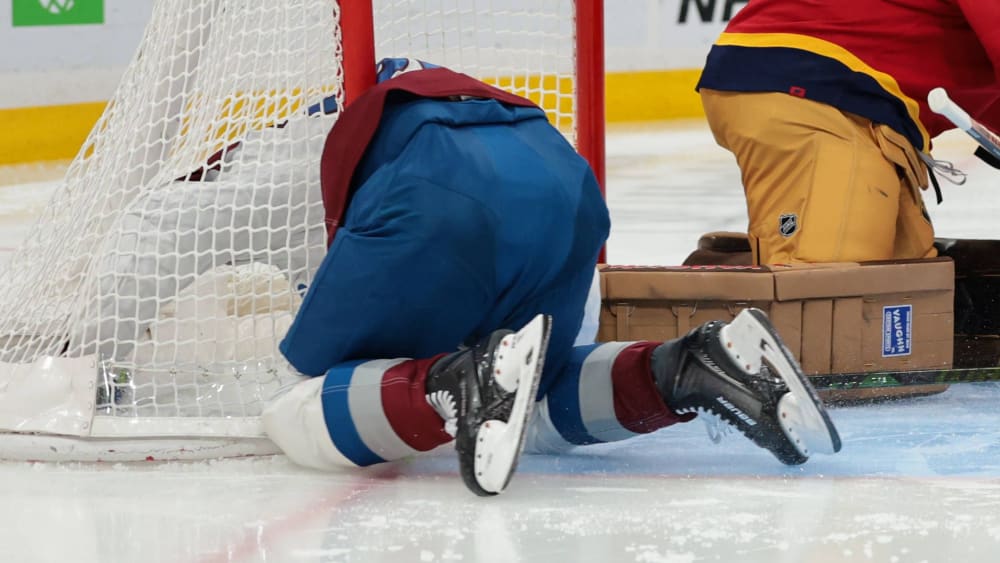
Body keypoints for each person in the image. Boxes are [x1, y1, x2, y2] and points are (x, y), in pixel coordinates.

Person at [262, 59, 842, 496]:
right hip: (568, 194)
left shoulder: (290, 138)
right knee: (533, 389)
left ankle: (454, 383)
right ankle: (686, 367)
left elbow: (178, 235)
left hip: (433, 202)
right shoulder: (434, 90)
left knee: (295, 401)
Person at [695, 0, 1000, 265]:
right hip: (814, 87)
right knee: (834, 285)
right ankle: (715, 303)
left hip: (852, 103)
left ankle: (727, 286)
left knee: (905, 287)